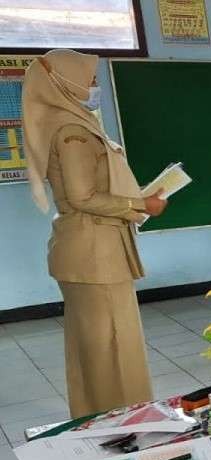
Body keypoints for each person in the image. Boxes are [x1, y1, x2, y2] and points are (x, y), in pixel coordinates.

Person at [23, 49, 168, 417]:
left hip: (86, 249)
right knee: (114, 348)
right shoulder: (73, 132)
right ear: (65, 81)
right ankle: (124, 424)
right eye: (88, 79)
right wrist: (140, 206)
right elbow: (82, 196)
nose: (94, 86)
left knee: (93, 348)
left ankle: (95, 419)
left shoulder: (65, 122)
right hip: (95, 255)